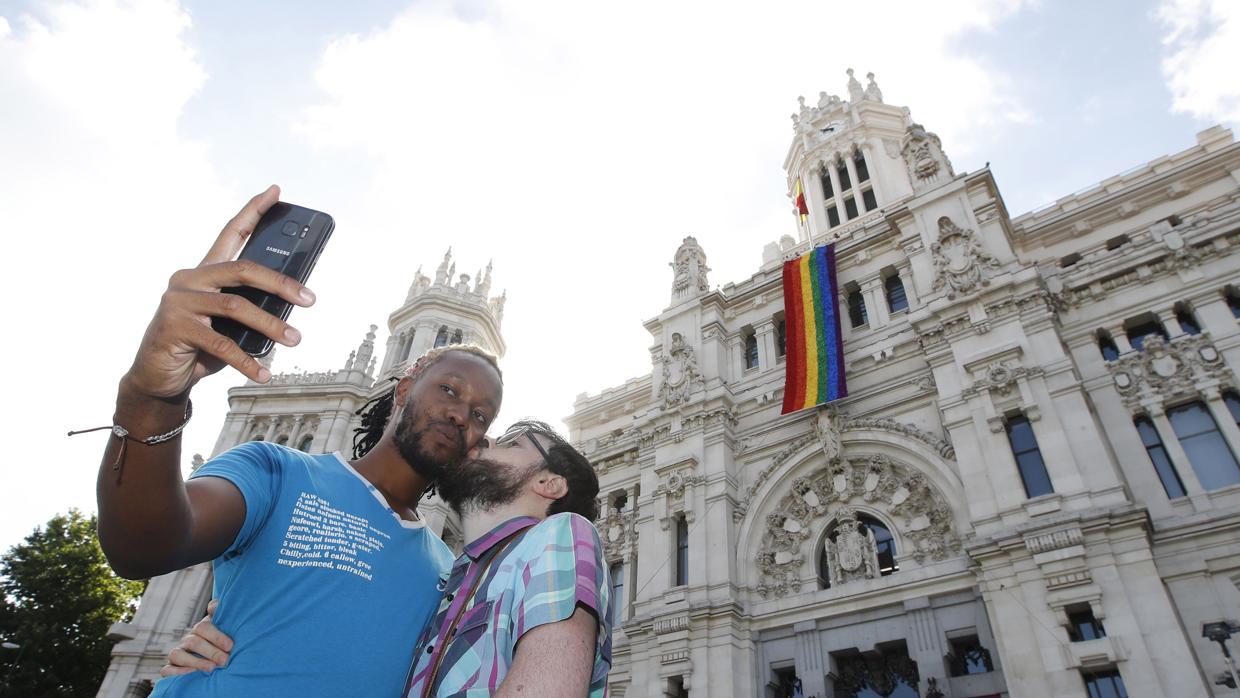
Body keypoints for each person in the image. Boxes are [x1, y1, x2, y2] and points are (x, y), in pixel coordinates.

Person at [92, 186, 504, 696]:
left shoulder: (452, 576)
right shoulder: (277, 472)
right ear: (402, 384)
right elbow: (142, 546)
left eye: (481, 414)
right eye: (449, 387)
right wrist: (150, 395)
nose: (461, 413)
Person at [165, 420, 614, 697]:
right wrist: (242, 639)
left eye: (512, 442)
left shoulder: (560, 534)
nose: (486, 439)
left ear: (549, 486)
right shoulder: (451, 576)